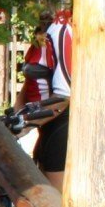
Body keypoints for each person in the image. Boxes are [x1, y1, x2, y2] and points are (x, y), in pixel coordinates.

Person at [28, 10, 72, 190]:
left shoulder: (61, 29)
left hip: (60, 124)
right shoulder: (43, 32)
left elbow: (63, 97)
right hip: (45, 125)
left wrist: (25, 124)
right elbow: (31, 80)